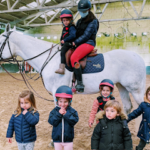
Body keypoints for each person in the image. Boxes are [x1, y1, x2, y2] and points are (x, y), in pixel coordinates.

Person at [71, 0, 99, 92]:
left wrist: (75, 42)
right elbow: (76, 33)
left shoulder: (93, 21)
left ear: (89, 9)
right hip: (80, 43)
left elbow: (86, 35)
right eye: (80, 11)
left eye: (84, 11)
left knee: (73, 58)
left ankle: (79, 83)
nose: (82, 13)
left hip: (88, 43)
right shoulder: (79, 21)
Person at [48, 85, 79, 150]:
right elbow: (51, 121)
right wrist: (59, 114)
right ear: (57, 101)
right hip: (57, 139)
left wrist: (66, 114)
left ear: (69, 101)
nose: (63, 104)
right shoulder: (54, 111)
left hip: (68, 140)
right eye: (60, 101)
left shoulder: (72, 111)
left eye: (65, 102)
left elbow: (74, 121)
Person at [55, 9, 76, 74]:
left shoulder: (72, 27)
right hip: (65, 43)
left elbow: (73, 35)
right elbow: (62, 36)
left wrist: (65, 40)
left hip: (70, 43)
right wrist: (61, 43)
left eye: (67, 20)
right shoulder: (64, 28)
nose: (65, 22)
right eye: (64, 20)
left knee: (63, 51)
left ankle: (62, 68)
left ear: (70, 20)